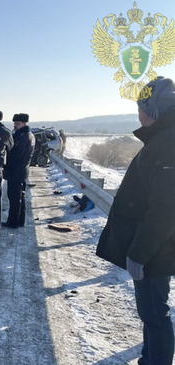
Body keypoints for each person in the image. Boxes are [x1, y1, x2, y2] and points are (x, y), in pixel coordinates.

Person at [96, 76, 175, 365]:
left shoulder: (167, 143)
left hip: (155, 248)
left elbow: (166, 208)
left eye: (141, 106)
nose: (137, 113)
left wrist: (140, 253)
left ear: (152, 108)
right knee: (151, 313)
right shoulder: (164, 138)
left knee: (155, 313)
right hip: (155, 245)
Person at [2, 113, 35, 229]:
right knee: (21, 196)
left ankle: (13, 221)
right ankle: (20, 220)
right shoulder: (29, 135)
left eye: (17, 123)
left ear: (24, 123)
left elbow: (16, 155)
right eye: (14, 123)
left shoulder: (22, 136)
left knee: (14, 197)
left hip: (16, 171)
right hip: (22, 170)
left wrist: (6, 166)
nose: (15, 125)